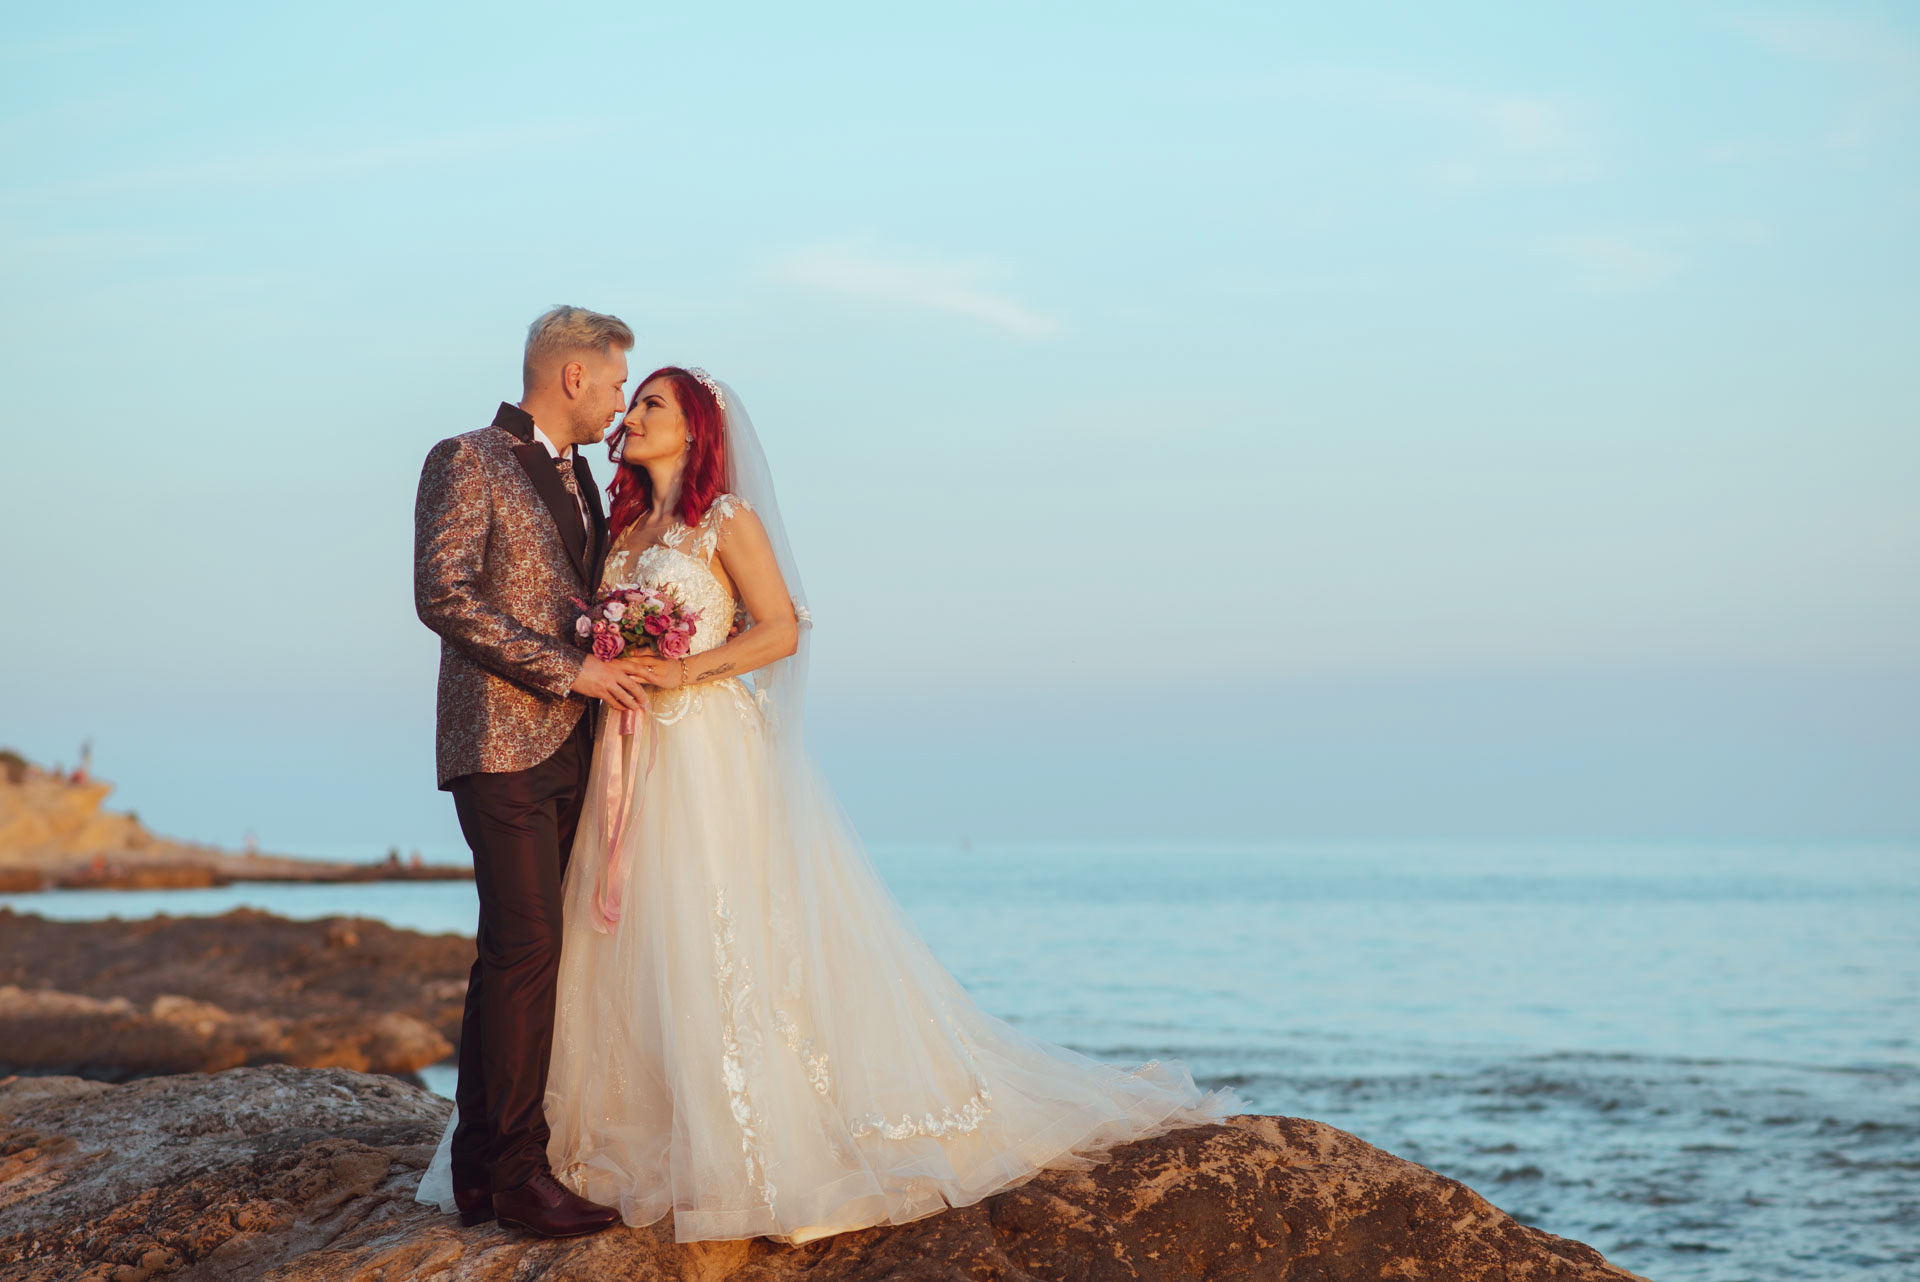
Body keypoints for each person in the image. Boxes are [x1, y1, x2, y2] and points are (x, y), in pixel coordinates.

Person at [420, 366, 1235, 1244]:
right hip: (630, 752)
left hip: (704, 748)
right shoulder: (620, 529)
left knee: (715, 926)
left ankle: (745, 1140)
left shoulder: (725, 521)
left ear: (695, 431)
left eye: (649, 401)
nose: (629, 413)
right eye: (630, 393)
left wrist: (685, 669)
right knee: (626, 940)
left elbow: (780, 627)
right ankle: (598, 1134)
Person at [412, 306, 656, 1238]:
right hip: (498, 745)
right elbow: (443, 594)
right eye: (615, 381)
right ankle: (520, 1175)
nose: (620, 402)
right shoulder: (465, 457)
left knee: (511, 956)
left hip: (575, 751)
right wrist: (574, 670)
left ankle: (480, 1168)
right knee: (527, 952)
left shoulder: (590, 482)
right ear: (572, 377)